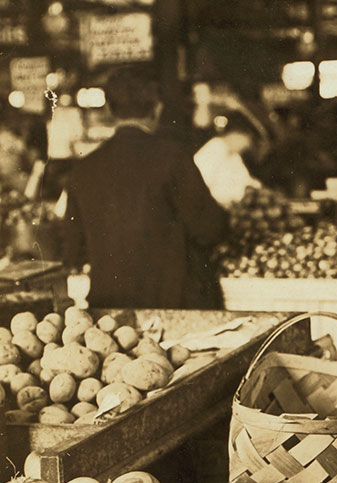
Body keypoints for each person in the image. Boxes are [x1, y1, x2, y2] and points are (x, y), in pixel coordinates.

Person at [62, 65, 228, 309]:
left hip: (109, 309)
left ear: (108, 110)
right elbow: (210, 229)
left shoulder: (83, 170)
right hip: (172, 305)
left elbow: (73, 250)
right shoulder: (172, 158)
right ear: (156, 108)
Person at [194, 110, 264, 207]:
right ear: (235, 134)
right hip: (211, 205)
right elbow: (202, 183)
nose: (245, 147)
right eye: (245, 141)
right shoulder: (215, 147)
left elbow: (245, 180)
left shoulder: (234, 156)